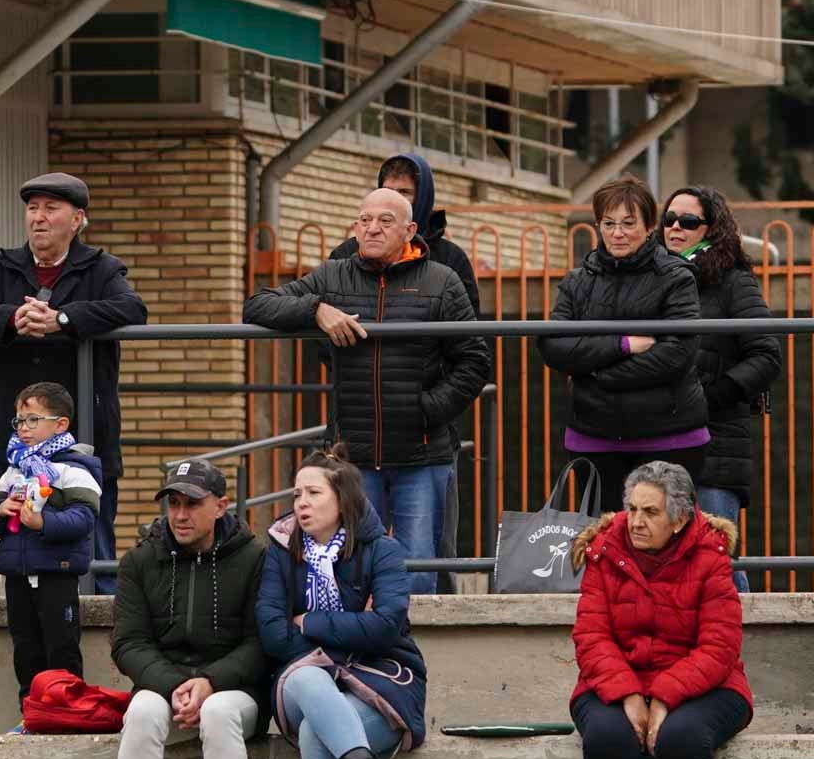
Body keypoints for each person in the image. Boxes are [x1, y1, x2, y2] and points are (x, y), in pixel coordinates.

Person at [244, 187, 490, 595]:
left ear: (410, 230)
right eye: (364, 220)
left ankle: (413, 656)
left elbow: (475, 361)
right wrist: (315, 310)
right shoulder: (333, 275)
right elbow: (256, 305)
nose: (372, 229)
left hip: (421, 454)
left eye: (385, 221)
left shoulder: (441, 281)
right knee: (349, 570)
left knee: (417, 572)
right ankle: (353, 655)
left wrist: (426, 409)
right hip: (352, 458)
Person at [0, 172, 147, 595]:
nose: (38, 218)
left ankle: (101, 632)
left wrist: (64, 320)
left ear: (77, 220)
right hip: (18, 436)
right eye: (33, 208)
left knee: (94, 543)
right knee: (20, 544)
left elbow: (132, 309)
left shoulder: (102, 269)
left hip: (85, 438)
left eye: (51, 209)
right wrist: (10, 319)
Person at [568, 461, 751, 759]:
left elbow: (720, 646)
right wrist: (629, 694)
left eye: (650, 512)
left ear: (680, 518)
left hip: (708, 687)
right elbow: (591, 636)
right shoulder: (603, 552)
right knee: (607, 736)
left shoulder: (710, 555)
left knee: (682, 738)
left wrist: (665, 696)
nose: (635, 521)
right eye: (632, 509)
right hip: (615, 682)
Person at [255, 445, 428, 759]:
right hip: (302, 684)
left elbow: (387, 627)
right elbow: (274, 633)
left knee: (319, 730)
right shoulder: (279, 549)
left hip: (379, 682)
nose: (301, 504)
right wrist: (353, 629)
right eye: (297, 494)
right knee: (310, 679)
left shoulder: (382, 551)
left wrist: (310, 621)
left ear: (343, 500)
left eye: (313, 493)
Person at [100, 459, 267, 759]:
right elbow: (128, 643)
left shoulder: (255, 558)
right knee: (139, 714)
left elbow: (262, 642)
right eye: (173, 503)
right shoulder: (140, 561)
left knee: (218, 713)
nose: (179, 514)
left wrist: (210, 682)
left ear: (221, 506)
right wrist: (175, 686)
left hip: (233, 691)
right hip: (166, 686)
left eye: (192, 503)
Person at [537, 174, 708, 495]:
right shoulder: (577, 280)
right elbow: (553, 346)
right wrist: (623, 345)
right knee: (604, 539)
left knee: (664, 538)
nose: (617, 233)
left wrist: (598, 373)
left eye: (628, 223)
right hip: (593, 432)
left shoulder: (676, 277)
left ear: (649, 227)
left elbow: (677, 354)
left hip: (668, 434)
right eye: (608, 223)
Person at [660, 186, 781, 593]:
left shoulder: (732, 281)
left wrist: (710, 397)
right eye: (669, 219)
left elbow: (766, 355)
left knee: (716, 561)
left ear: (712, 228)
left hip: (715, 444)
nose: (675, 228)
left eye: (688, 221)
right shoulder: (652, 279)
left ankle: (742, 648)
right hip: (657, 438)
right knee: (664, 565)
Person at [0, 382, 103, 727]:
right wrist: (1, 510)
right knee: (25, 647)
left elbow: (83, 516)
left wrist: (41, 521)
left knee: (60, 647)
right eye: (19, 421)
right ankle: (32, 716)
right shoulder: (15, 467)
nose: (24, 428)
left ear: (60, 424)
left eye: (33, 420)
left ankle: (67, 713)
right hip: (18, 573)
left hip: (56, 573)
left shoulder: (75, 467)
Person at [328, 152, 480, 314]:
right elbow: (310, 310)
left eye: (404, 192)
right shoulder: (346, 253)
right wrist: (321, 311)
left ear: (423, 198)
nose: (393, 200)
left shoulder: (450, 258)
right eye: (387, 191)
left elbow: (467, 329)